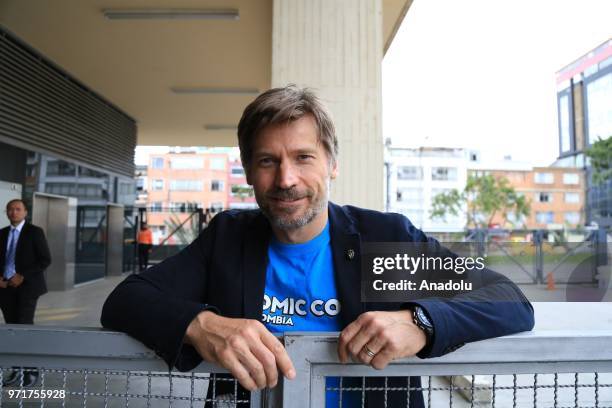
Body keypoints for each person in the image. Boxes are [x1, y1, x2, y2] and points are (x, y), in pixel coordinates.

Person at [101, 86, 534, 407]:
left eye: (303, 157)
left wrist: (420, 321)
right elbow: (125, 300)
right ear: (249, 172)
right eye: (268, 161)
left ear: (332, 164)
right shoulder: (229, 238)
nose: (286, 179)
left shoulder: (383, 240)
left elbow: (508, 299)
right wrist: (203, 325)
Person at [1, 199, 51, 387]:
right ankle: (16, 369)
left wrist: (22, 276)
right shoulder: (2, 233)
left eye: (18, 209)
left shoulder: (34, 232)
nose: (14, 212)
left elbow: (45, 260)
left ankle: (31, 369)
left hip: (28, 287)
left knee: (24, 326)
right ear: (6, 212)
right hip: (5, 289)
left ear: (25, 212)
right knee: (12, 328)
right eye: (10, 209)